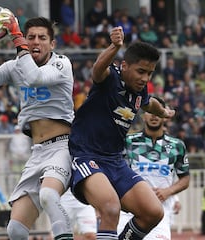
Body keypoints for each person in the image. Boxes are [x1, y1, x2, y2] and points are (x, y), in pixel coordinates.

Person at [0, 7, 75, 240]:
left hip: (63, 147)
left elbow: (36, 78)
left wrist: (16, 36)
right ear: (25, 39)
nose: (36, 42)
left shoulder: (62, 64)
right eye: (30, 37)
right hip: (37, 152)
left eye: (42, 38)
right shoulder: (15, 67)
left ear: (52, 44)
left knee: (48, 195)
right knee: (15, 230)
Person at [68, 26, 175, 240]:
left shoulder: (139, 90)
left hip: (116, 162)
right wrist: (114, 46)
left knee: (154, 212)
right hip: (87, 156)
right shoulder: (111, 77)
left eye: (150, 73)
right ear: (124, 65)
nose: (145, 78)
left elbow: (147, 103)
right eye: (141, 71)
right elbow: (98, 69)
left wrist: (163, 111)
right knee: (110, 208)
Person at [117, 97, 190, 239]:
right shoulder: (128, 142)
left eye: (158, 112)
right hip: (129, 211)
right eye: (150, 111)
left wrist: (168, 191)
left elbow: (185, 178)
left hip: (160, 213)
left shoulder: (177, 145)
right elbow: (116, 171)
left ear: (165, 116)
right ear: (144, 116)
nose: (154, 115)